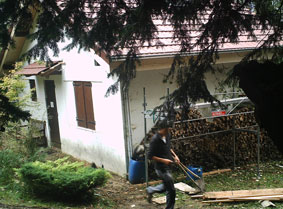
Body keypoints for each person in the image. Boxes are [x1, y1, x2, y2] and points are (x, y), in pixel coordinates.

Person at [146, 119, 180, 209]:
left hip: (168, 166)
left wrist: (175, 156)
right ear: (163, 128)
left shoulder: (167, 135)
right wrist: (164, 160)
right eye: (168, 129)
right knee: (171, 190)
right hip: (160, 168)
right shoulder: (155, 140)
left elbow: (168, 147)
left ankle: (150, 190)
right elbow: (150, 156)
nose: (169, 130)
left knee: (166, 187)